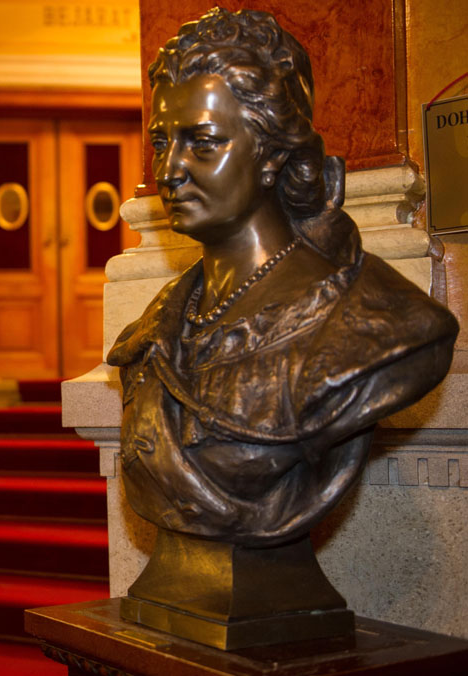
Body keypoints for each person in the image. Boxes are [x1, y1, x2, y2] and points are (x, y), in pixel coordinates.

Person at [107, 7, 458, 547]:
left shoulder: (384, 326)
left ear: (271, 153)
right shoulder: (154, 332)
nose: (170, 169)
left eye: (203, 143)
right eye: (161, 143)